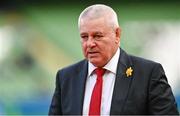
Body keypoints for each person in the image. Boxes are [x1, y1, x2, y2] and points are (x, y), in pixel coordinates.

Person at [49, 4, 179, 115]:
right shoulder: (65, 77)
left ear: (117, 34)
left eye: (97, 36)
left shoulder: (148, 74)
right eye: (84, 37)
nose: (89, 43)